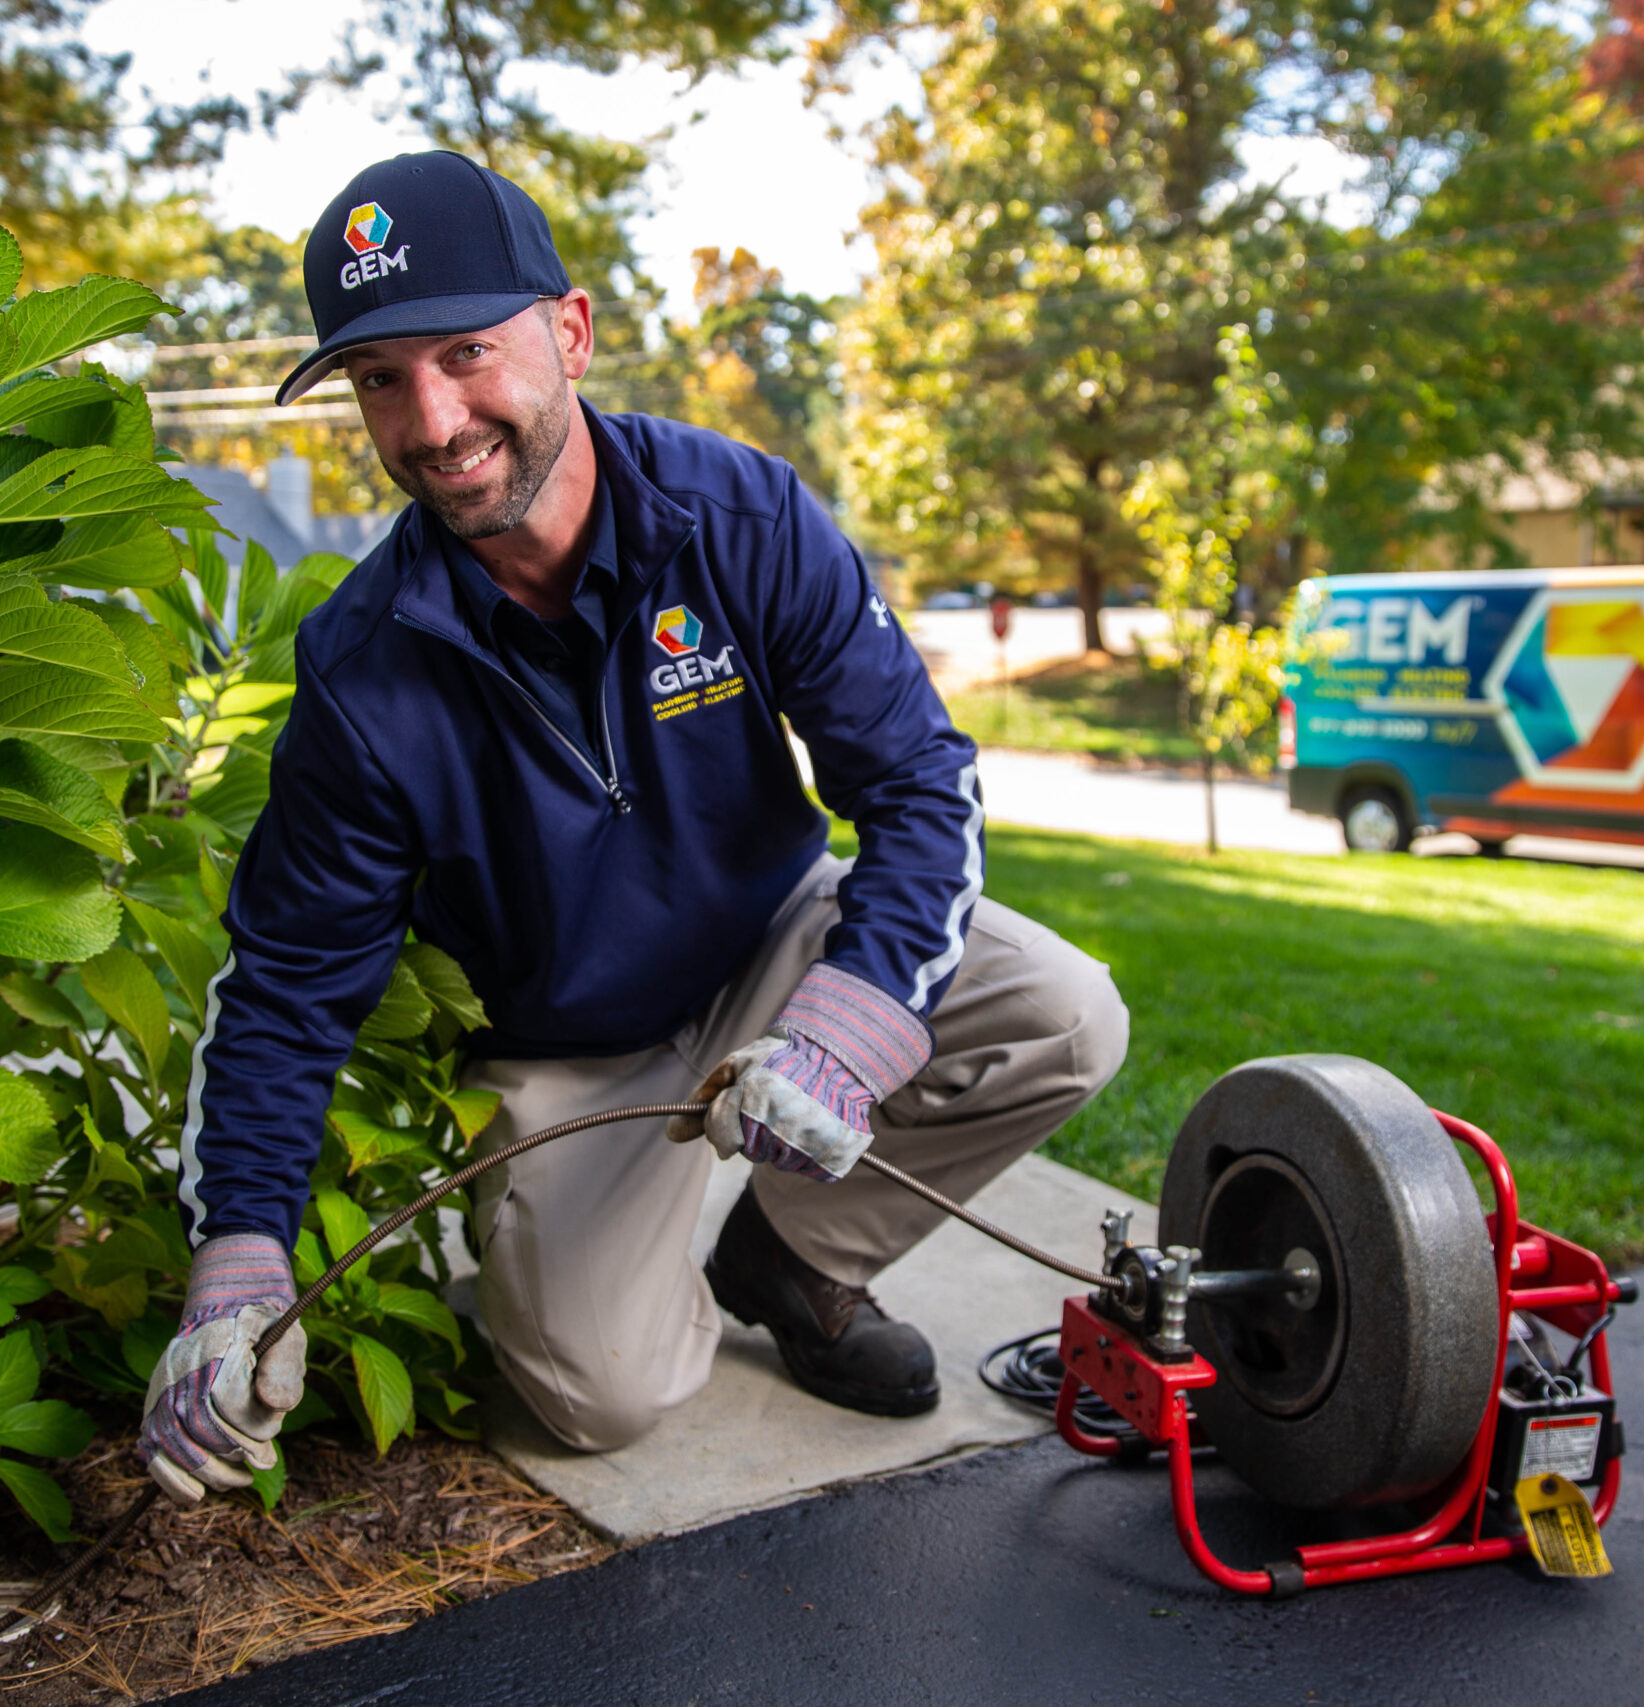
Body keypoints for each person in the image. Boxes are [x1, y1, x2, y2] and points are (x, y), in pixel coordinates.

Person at [137, 150, 1130, 1503]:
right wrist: (239, 1249)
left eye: (466, 353)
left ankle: (799, 1257)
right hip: (569, 1050)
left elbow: (918, 780)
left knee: (1065, 1012)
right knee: (601, 1400)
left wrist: (857, 1009)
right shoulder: (362, 669)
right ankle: (620, 1255)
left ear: (573, 332)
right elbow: (288, 988)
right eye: (381, 379)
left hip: (773, 943)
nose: (431, 421)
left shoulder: (741, 517)